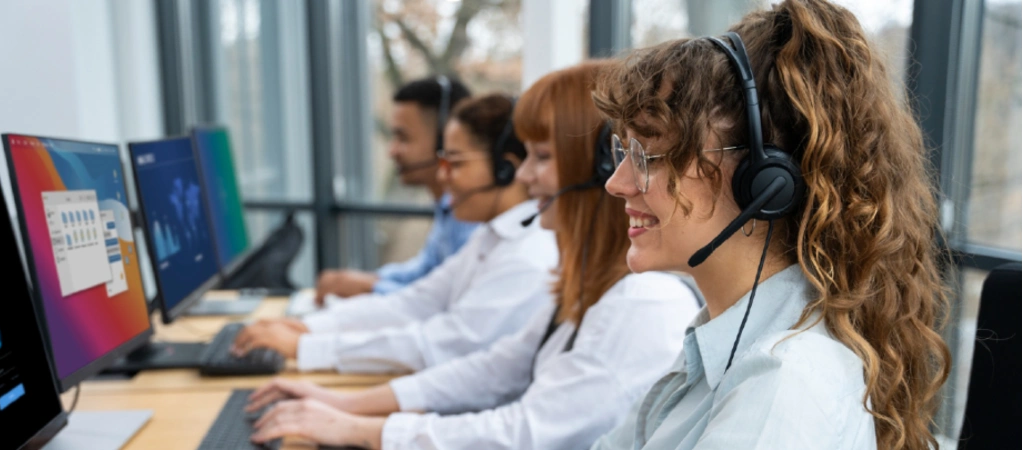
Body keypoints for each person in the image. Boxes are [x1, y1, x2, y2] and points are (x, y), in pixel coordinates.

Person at [243, 61, 701, 450]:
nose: (523, 173)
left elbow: (526, 432)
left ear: (602, 169)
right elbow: (495, 370)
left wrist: (359, 428)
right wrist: (340, 405)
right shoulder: (594, 285)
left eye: (541, 156)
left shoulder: (641, 304)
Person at [590, 1, 951, 449]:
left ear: (765, 183)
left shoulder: (782, 387)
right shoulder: (720, 347)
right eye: (623, 151)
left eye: (647, 154)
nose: (616, 183)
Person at [233, 94, 558, 374]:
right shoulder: (492, 236)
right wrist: (307, 328)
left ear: (506, 169)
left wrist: (307, 346)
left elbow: (443, 344)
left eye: (455, 163)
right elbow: (413, 304)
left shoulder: (526, 257)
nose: (443, 178)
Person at [313, 76, 479, 303]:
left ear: (445, 141)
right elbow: (423, 272)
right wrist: (367, 279)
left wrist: (370, 286)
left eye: (403, 138)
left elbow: (444, 303)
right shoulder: (448, 207)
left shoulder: (472, 217)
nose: (392, 151)